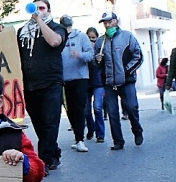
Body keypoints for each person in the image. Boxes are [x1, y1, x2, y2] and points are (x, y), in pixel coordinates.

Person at [0, 0, 67, 173]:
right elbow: (9, 48)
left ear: (48, 11)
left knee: (50, 122)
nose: (38, 10)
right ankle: (53, 152)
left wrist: (39, 20)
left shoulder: (57, 28)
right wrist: (1, 32)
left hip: (51, 82)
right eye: (36, 8)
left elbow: (54, 42)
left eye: (42, 8)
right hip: (30, 85)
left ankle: (45, 160)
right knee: (40, 123)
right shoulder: (22, 32)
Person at [93, 12, 144, 150]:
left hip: (126, 81)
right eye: (105, 22)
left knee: (132, 107)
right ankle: (118, 141)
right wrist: (97, 60)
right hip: (109, 83)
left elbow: (138, 56)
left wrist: (126, 71)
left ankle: (137, 131)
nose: (107, 25)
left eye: (109, 22)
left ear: (116, 21)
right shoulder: (100, 41)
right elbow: (95, 63)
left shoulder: (127, 37)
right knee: (112, 113)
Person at [59, 15, 94, 152]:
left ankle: (80, 139)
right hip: (63, 80)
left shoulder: (81, 37)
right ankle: (77, 136)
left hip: (80, 78)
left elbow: (90, 55)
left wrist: (79, 55)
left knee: (80, 108)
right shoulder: (58, 37)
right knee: (69, 109)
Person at [84, 28, 105, 143]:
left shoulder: (100, 49)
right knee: (86, 110)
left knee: (97, 108)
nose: (91, 41)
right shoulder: (84, 50)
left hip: (98, 82)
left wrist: (99, 59)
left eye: (93, 38)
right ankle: (91, 129)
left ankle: (100, 134)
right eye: (89, 38)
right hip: (86, 83)